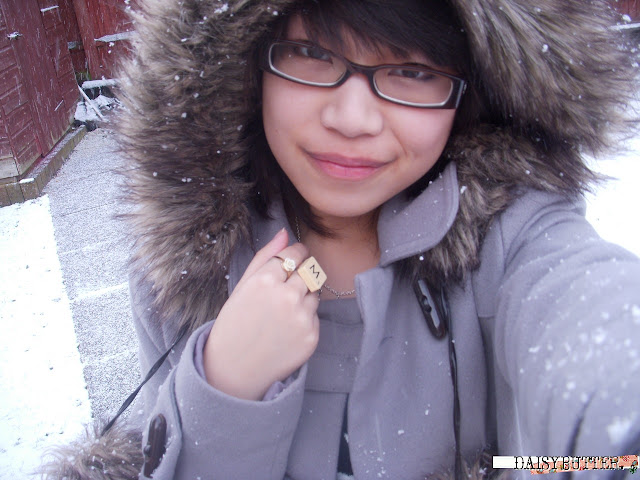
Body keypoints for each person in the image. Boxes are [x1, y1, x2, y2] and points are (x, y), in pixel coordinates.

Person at [42, 0, 640, 479]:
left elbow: (590, 311)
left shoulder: (514, 240)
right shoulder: (184, 269)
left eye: (414, 72)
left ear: (469, 96)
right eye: (310, 54)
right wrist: (223, 385)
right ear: (244, 70)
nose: (352, 120)